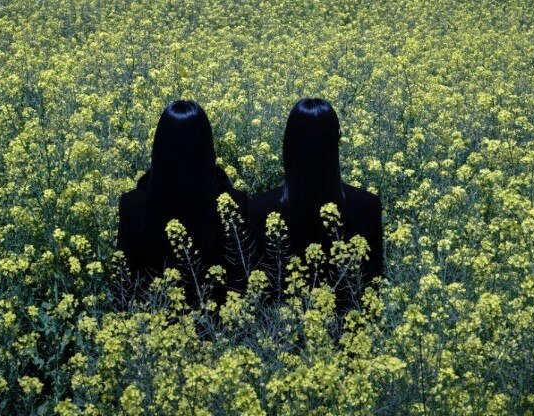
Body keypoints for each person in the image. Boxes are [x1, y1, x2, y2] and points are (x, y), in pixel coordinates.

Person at [247, 98, 383, 306]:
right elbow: (372, 287)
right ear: (337, 142)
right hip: (350, 334)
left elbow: (259, 295)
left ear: (287, 144)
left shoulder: (258, 209)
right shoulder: (368, 207)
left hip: (280, 333)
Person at [116, 100, 250, 305]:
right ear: (207, 145)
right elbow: (240, 281)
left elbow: (124, 283)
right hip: (217, 329)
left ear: (159, 146)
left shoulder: (131, 205)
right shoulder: (235, 204)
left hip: (150, 326)